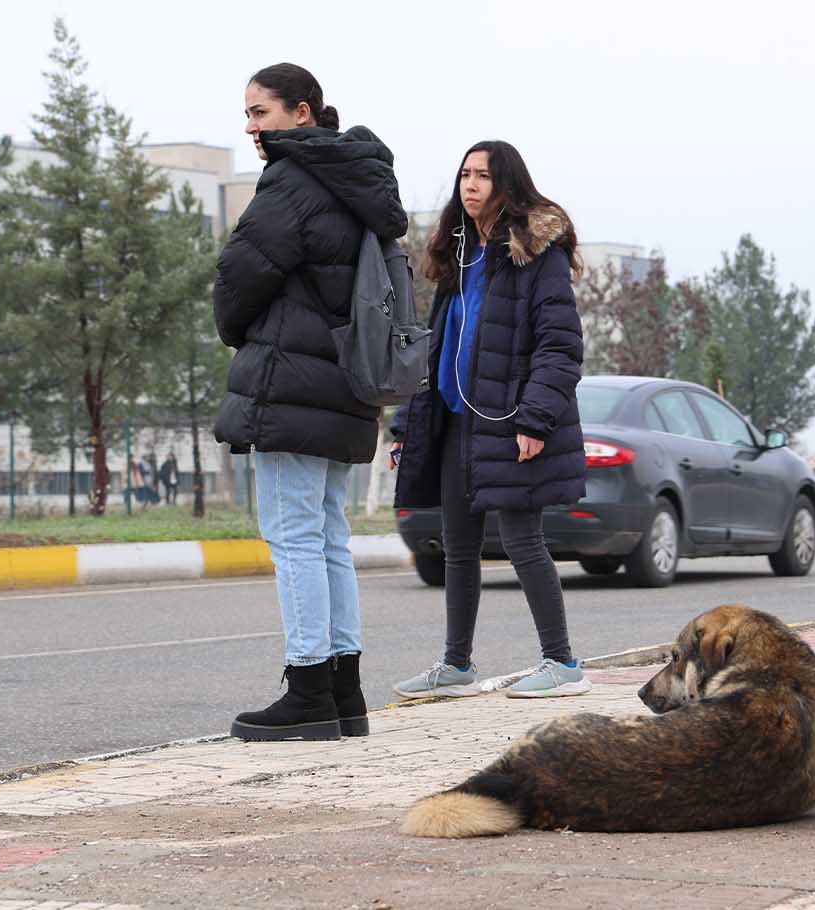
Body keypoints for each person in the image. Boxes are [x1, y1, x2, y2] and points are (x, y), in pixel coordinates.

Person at [212, 63, 407, 741]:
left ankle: (308, 690)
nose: (250, 126)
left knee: (295, 538)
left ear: (301, 113)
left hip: (293, 381)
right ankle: (343, 691)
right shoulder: (360, 180)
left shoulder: (295, 178)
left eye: (260, 112)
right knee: (327, 539)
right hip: (346, 382)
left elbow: (241, 269)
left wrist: (238, 332)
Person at [390, 140, 590, 700]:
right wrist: (408, 426)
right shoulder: (457, 254)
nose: (470, 184)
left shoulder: (533, 252)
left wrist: (535, 420)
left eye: (483, 175)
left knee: (523, 540)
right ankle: (456, 666)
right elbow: (434, 349)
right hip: (456, 419)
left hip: (511, 419)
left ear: (507, 186)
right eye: (464, 175)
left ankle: (563, 663)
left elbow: (560, 345)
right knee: (457, 547)